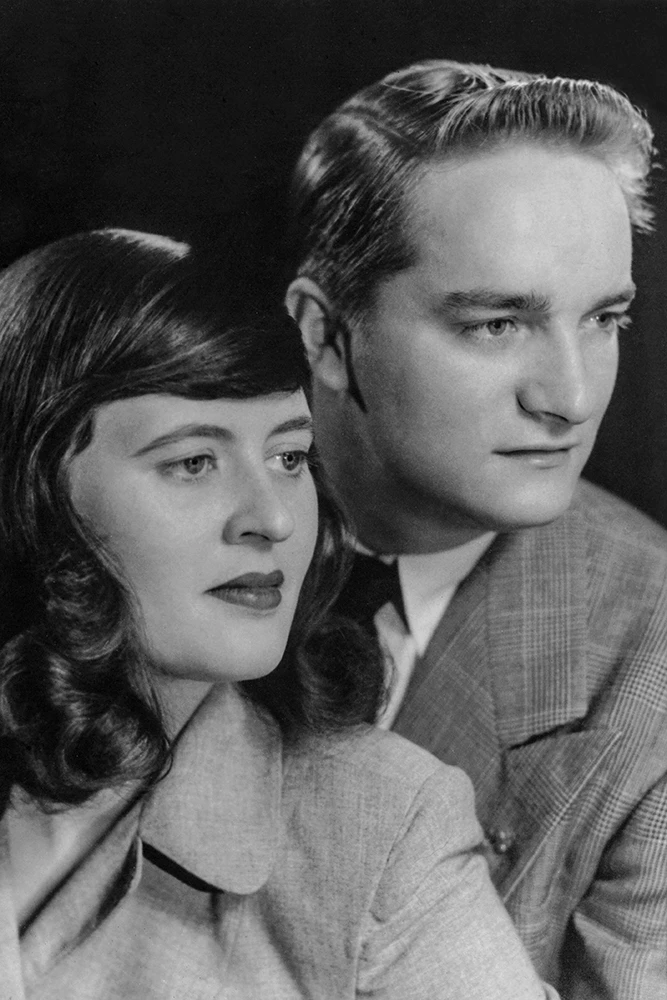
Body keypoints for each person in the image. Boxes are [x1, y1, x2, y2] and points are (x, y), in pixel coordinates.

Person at [0, 228, 557, 999]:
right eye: (194, 461)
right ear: (35, 491)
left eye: (289, 457)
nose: (274, 519)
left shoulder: (380, 824)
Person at [285, 60, 667, 998]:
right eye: (498, 325)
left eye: (604, 318)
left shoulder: (652, 678)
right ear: (327, 335)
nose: (570, 399)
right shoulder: (124, 521)